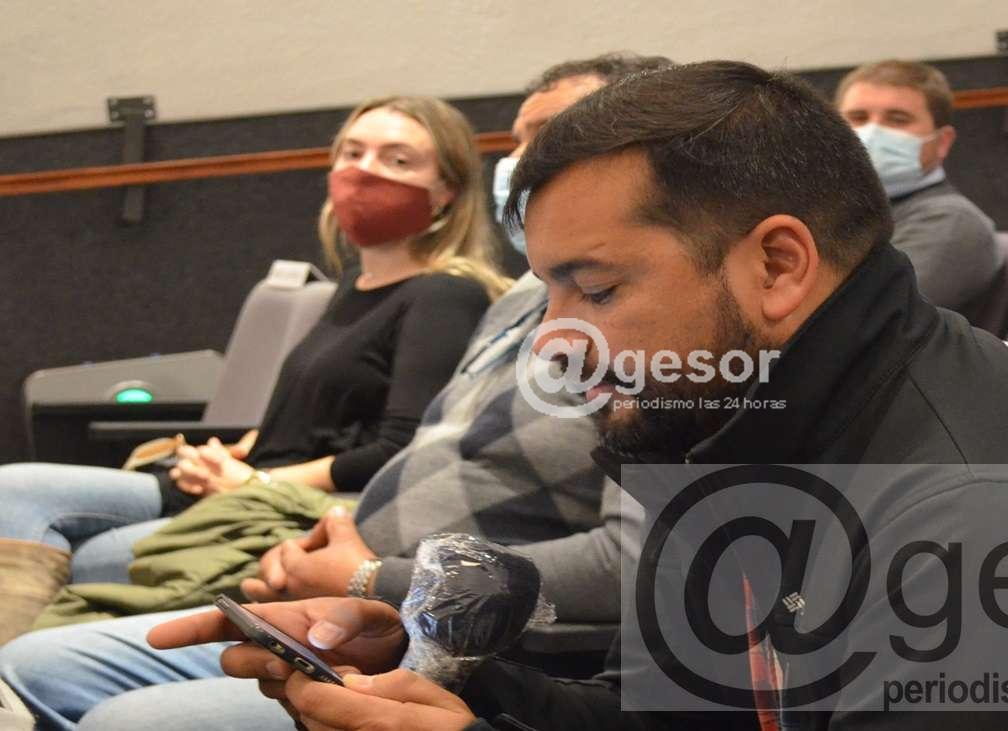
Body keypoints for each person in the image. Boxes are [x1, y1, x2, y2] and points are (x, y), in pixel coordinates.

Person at [156, 60, 1008, 730]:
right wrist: (454, 681)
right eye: (549, 289)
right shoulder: (740, 424)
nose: (555, 340)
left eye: (597, 287)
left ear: (778, 265)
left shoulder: (996, 531)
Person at [0, 54, 673, 731]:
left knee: (122, 710)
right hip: (386, 609)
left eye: (550, 136)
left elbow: (627, 585)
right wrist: (366, 598)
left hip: (452, 632)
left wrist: (366, 574)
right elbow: (421, 453)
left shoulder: (668, 352)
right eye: (518, 141)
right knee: (37, 660)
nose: (523, 162)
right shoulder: (518, 302)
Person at [0, 94, 507, 642]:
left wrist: (256, 480)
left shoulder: (444, 295)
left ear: (447, 191)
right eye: (352, 153)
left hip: (288, 510)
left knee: (95, 555)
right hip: (243, 487)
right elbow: (321, 418)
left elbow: (401, 449)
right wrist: (233, 454)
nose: (364, 171)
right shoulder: (353, 287)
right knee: (13, 489)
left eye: (397, 160)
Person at [836, 59, 999, 314]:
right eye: (858, 118)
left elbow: (862, 317)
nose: (872, 133)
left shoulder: (949, 221)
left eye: (897, 119)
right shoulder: (838, 211)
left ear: (942, 142)